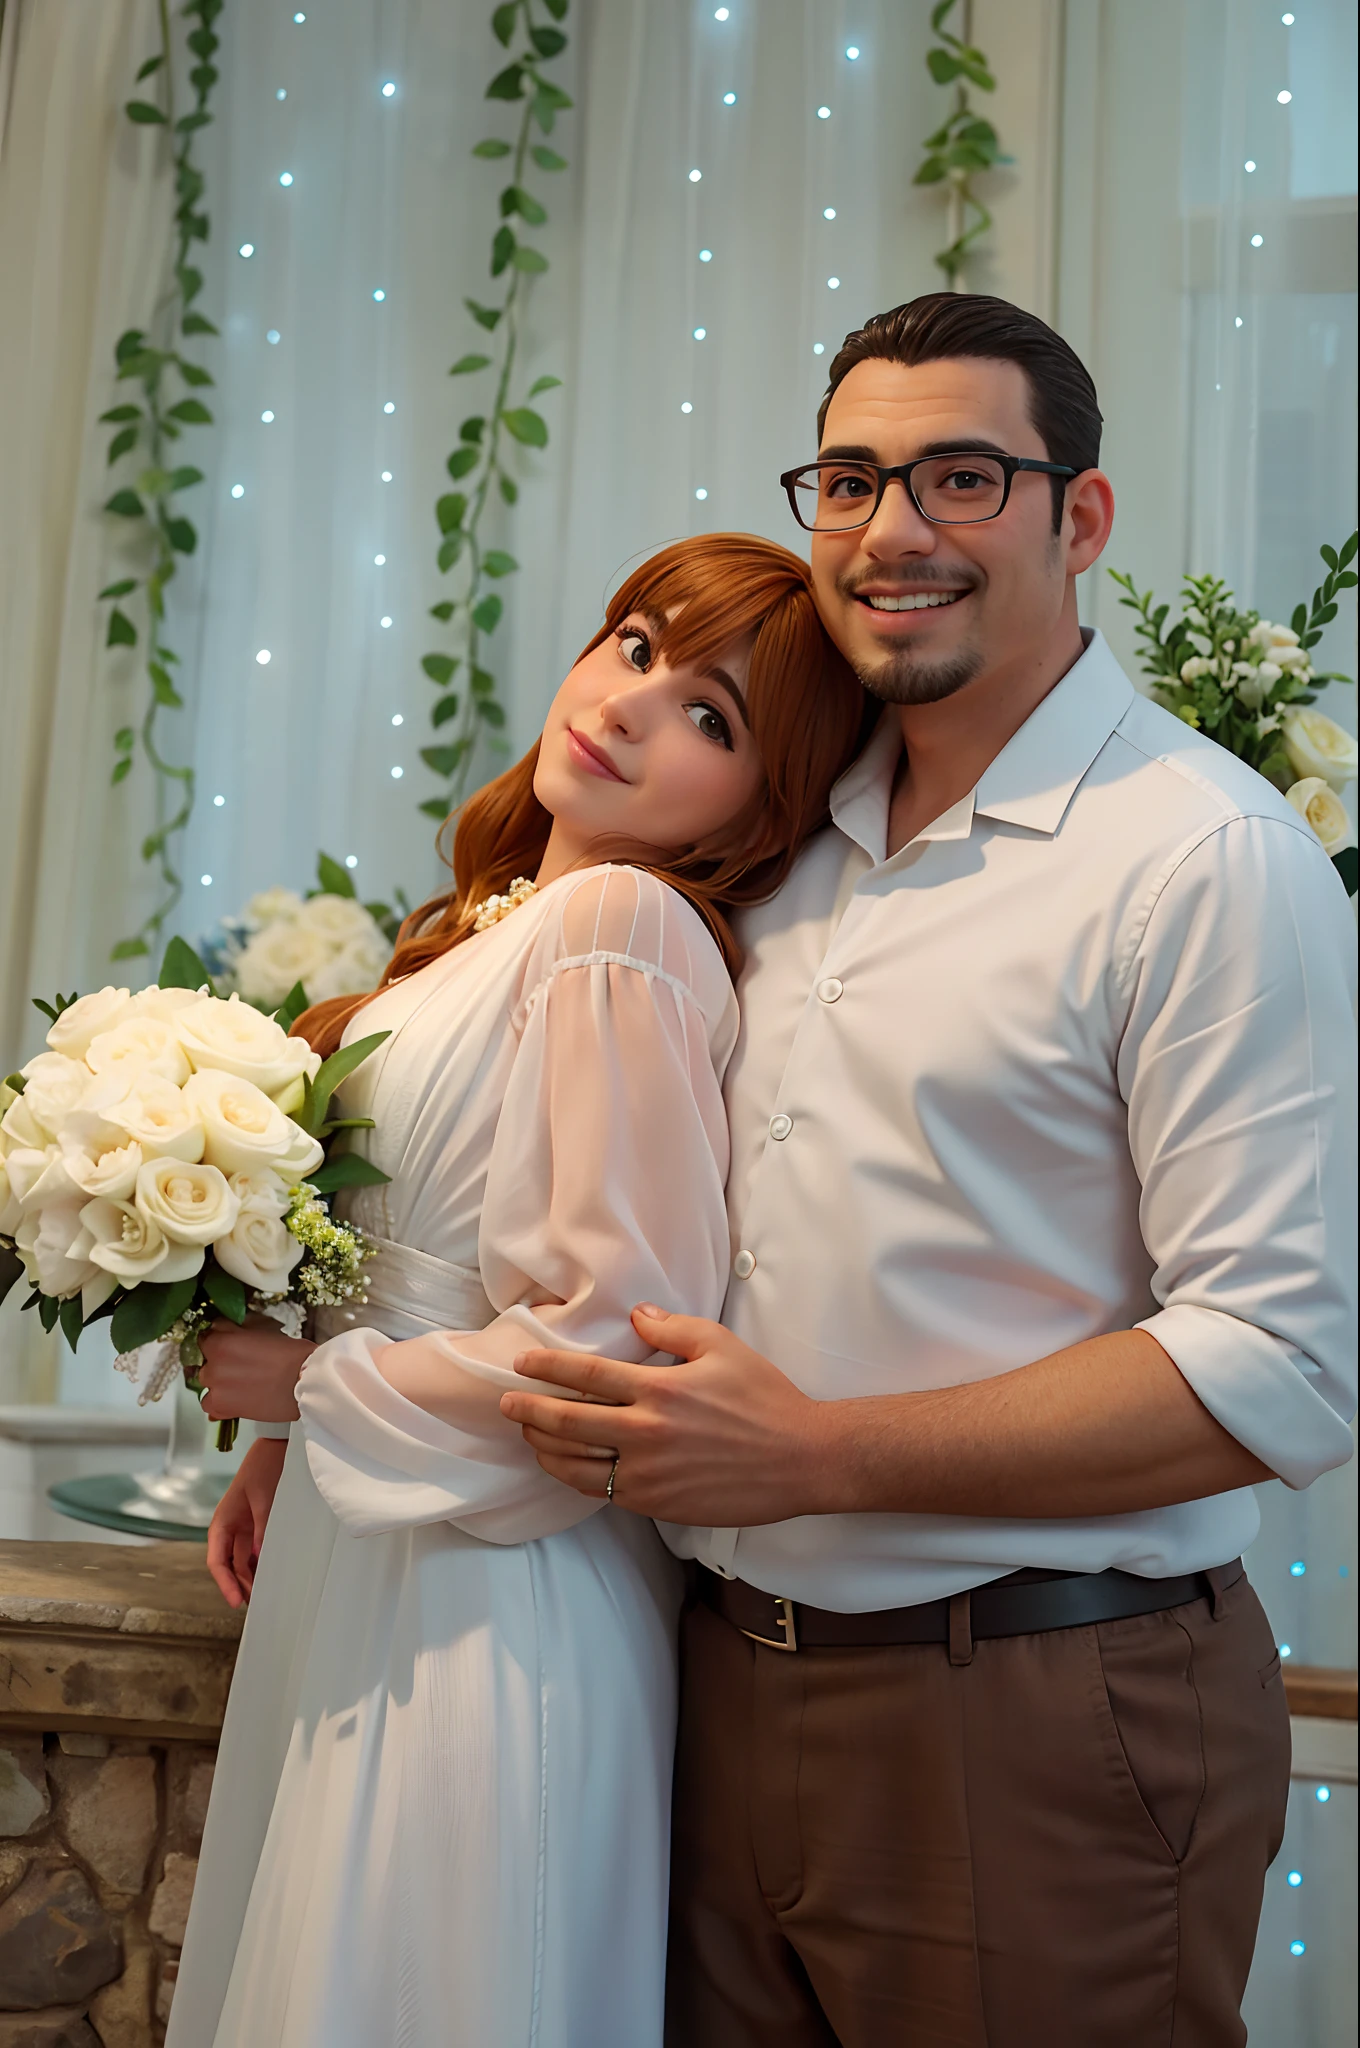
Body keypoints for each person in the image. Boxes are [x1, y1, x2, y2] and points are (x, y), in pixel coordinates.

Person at [499, 296, 1359, 2048]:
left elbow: (1286, 1365)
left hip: (1039, 1704)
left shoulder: (1205, 860)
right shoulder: (773, 834)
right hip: (710, 1682)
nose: (895, 533)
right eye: (853, 478)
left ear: (1080, 518)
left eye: (964, 477)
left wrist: (821, 1454)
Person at [166, 532, 867, 2048]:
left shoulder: (624, 931)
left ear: (764, 804)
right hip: (384, 1552)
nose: (629, 703)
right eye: (634, 643)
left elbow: (611, 1350)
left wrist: (315, 1390)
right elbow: (442, 1254)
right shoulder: (488, 937)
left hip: (497, 1595)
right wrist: (293, 1447)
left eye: (711, 716)